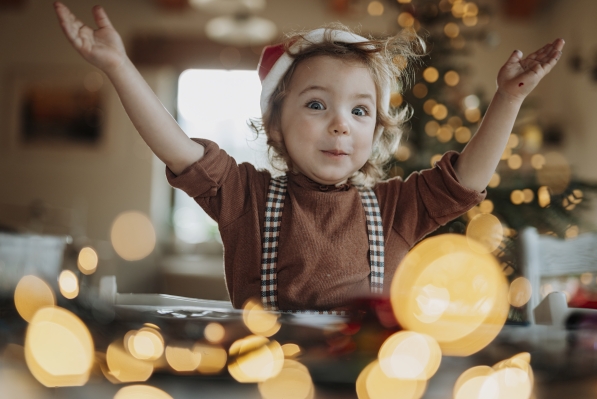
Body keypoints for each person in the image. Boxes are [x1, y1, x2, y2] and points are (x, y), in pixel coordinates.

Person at [54, 2, 564, 312]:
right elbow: (176, 147)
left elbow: (465, 179)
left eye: (360, 111)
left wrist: (509, 99)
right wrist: (119, 68)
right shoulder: (244, 197)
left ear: (374, 131)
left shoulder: (394, 209)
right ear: (275, 125)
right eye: (317, 104)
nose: (340, 123)